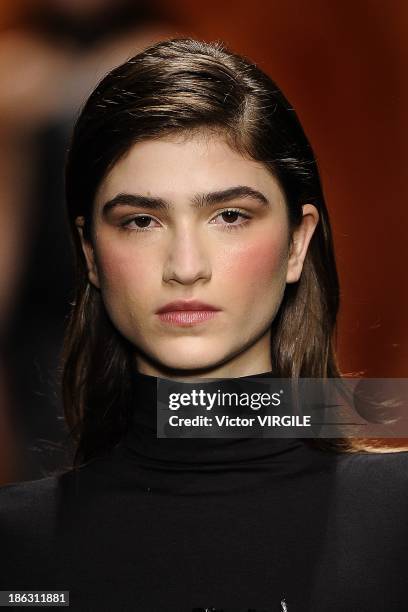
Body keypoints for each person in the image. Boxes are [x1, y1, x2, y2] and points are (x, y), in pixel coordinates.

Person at [0, 37, 407, 612]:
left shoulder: (398, 519)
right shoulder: (14, 549)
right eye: (142, 220)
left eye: (230, 216)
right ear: (91, 254)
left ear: (297, 242)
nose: (186, 267)